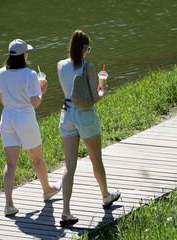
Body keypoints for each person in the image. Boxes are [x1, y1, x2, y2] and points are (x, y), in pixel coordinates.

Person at [57, 30, 121, 227]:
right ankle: (105, 196)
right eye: (88, 48)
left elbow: (68, 92)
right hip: (85, 116)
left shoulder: (60, 65)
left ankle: (66, 212)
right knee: (95, 159)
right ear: (84, 48)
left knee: (69, 166)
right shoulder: (88, 67)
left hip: (66, 114)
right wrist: (103, 90)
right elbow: (94, 98)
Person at [0, 39, 62, 216]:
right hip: (25, 119)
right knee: (37, 158)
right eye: (27, 52)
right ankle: (47, 190)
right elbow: (34, 103)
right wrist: (41, 91)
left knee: (10, 162)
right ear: (24, 55)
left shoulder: (1, 73)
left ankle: (9, 204)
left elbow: (3, 100)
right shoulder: (30, 74)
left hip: (7, 118)